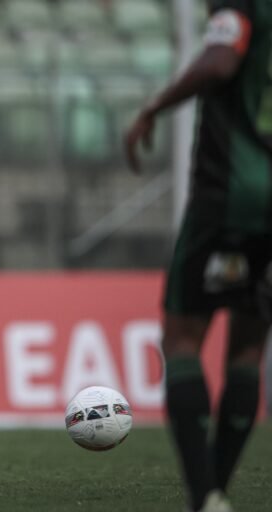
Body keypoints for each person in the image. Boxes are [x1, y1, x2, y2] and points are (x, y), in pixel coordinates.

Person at [125, 3, 271, 511]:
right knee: (248, 350)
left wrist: (154, 107)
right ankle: (215, 496)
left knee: (183, 338)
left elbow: (220, 62)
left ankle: (204, 495)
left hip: (233, 195)